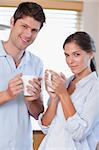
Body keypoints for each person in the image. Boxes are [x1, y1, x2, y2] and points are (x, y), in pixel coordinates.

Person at [38, 31, 99, 150]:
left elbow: (79, 133)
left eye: (76, 54)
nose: (70, 61)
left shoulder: (95, 87)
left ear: (91, 54)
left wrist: (63, 94)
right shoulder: (64, 83)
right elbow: (46, 127)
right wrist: (55, 98)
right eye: (67, 55)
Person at [0, 2, 45, 150]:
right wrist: (7, 94)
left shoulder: (36, 63)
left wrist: (34, 100)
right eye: (24, 26)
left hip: (22, 145)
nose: (28, 34)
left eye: (34, 30)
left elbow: (38, 113)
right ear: (12, 22)